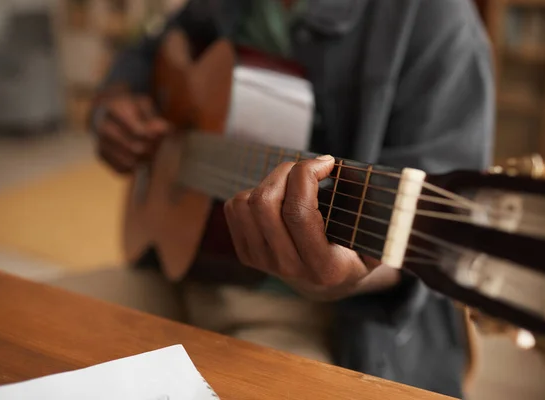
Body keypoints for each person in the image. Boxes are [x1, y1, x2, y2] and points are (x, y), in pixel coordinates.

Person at [90, 0, 494, 397]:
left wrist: (347, 275)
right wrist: (113, 103)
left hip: (320, 325)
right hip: (174, 277)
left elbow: (429, 231)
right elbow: (153, 46)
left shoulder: (436, 18)